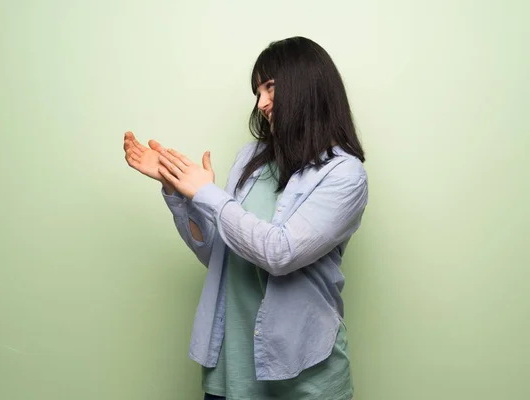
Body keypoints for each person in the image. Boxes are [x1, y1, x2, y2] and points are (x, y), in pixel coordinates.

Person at [124, 36, 368, 400]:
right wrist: (178, 190)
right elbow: (220, 255)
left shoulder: (345, 175)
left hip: (305, 375)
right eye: (257, 92)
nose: (261, 102)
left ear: (308, 85)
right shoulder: (249, 158)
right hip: (230, 369)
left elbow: (279, 253)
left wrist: (207, 193)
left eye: (270, 87)